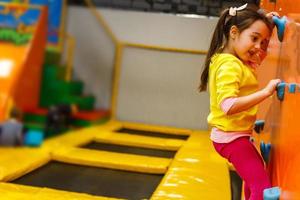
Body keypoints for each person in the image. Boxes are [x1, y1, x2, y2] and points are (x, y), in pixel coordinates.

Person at [199, 4, 281, 200]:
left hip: (232, 136)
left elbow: (256, 54)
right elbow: (228, 106)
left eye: (263, 42)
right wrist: (266, 92)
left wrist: (263, 22)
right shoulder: (230, 65)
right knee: (261, 188)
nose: (258, 47)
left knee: (254, 178)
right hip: (232, 138)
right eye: (254, 38)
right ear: (234, 32)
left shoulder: (229, 58)